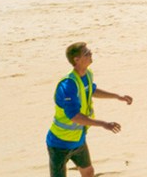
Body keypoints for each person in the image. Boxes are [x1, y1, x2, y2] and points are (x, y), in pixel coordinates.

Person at [45, 42, 132, 177]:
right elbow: (74, 116)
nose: (91, 54)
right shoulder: (68, 85)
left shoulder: (87, 74)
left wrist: (117, 96)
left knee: (88, 171)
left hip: (78, 139)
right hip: (59, 143)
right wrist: (104, 124)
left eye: (89, 51)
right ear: (76, 60)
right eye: (87, 53)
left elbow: (91, 90)